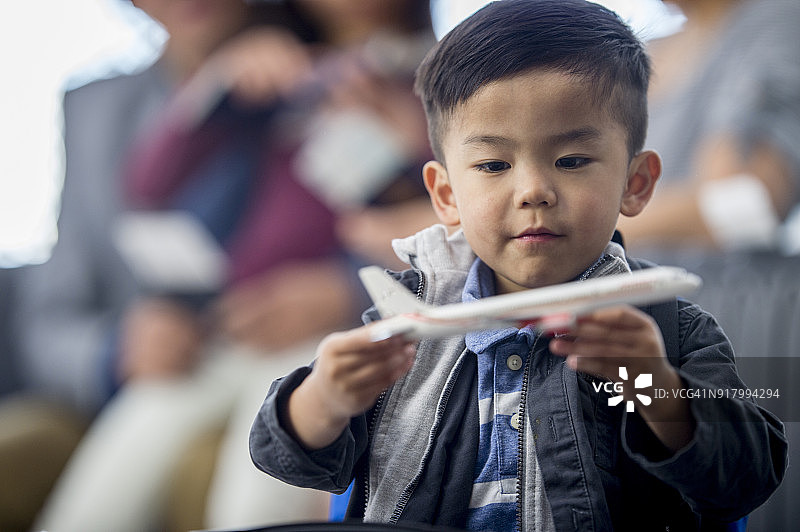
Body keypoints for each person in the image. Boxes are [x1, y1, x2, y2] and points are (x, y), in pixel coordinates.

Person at [249, 1, 788, 530]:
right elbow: (285, 458)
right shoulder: (406, 322)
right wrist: (323, 398)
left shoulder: (667, 333)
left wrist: (651, 386)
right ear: (445, 194)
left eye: (572, 160)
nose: (532, 189)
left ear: (635, 183)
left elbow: (746, 479)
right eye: (493, 164)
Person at [25, 1, 437, 531]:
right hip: (223, 332)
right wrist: (215, 89)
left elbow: (429, 221)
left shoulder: (426, 83)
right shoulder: (274, 75)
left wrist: (409, 146)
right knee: (101, 494)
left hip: (324, 335)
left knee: (261, 493)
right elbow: (151, 184)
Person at [617, 0, 800, 253]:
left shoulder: (773, 23)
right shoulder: (643, 52)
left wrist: (592, 232)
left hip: (716, 286)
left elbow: (742, 205)